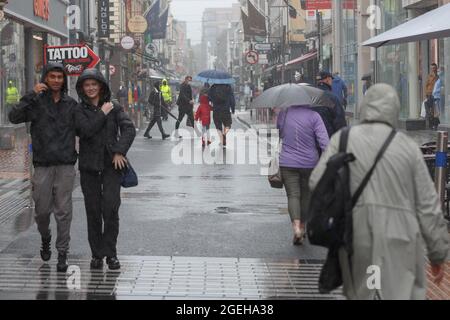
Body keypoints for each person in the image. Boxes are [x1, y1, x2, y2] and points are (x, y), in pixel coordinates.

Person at [309, 84, 449, 300]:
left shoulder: (344, 139)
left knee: (362, 293)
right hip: (401, 235)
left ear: (364, 107)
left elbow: (317, 181)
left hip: (357, 232)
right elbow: (427, 204)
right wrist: (438, 253)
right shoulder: (407, 147)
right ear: (394, 110)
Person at [8, 62, 78, 272]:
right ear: (45, 79)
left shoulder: (71, 105)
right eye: (52, 77)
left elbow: (86, 128)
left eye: (60, 77)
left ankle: (62, 252)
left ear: (63, 80)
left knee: (64, 211)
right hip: (42, 165)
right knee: (41, 211)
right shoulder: (36, 102)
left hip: (65, 165)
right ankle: (46, 237)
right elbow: (14, 117)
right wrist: (31, 94)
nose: (56, 81)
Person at [75, 68, 136, 270]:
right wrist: (102, 113)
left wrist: (120, 151)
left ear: (101, 86)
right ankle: (96, 255)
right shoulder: (79, 110)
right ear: (82, 88)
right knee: (93, 212)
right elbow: (85, 131)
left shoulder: (114, 107)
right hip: (89, 167)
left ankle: (111, 253)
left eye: (94, 84)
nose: (91, 88)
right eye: (87, 85)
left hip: (111, 167)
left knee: (110, 210)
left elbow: (129, 128)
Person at [278, 106, 329, 245]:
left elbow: (281, 133)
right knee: (306, 195)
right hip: (310, 163)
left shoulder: (284, 113)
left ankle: (296, 227)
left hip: (287, 162)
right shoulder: (314, 116)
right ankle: (302, 227)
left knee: (293, 195)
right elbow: (324, 142)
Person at [316, 71, 347, 136]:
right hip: (329, 137)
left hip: (315, 138)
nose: (331, 82)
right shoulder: (332, 97)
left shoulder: (312, 96)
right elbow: (339, 121)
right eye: (331, 79)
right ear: (327, 79)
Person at [425, 63, 439, 129]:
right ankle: (432, 125)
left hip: (436, 95)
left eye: (434, 68)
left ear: (436, 68)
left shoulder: (438, 76)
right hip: (430, 94)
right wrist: (427, 94)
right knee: (431, 110)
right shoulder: (430, 76)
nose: (433, 69)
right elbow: (426, 85)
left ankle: (435, 124)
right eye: (432, 68)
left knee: (435, 110)